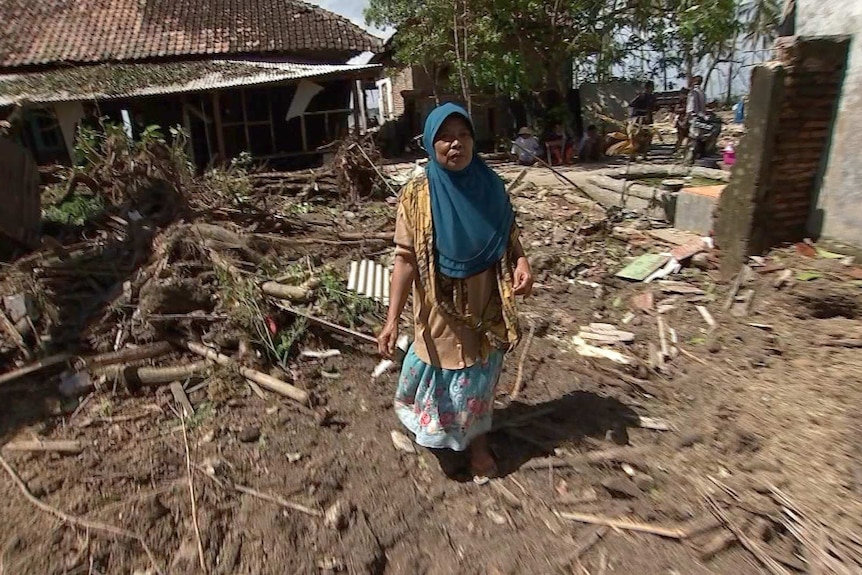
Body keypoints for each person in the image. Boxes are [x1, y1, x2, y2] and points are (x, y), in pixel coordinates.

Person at [379, 103, 533, 481]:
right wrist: (391, 319)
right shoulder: (416, 196)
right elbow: (405, 260)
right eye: (445, 136)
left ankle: (478, 447)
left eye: (463, 135)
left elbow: (507, 232)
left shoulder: (491, 185)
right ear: (431, 144)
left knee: (480, 374)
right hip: (438, 305)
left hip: (487, 299)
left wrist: (522, 261)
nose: (456, 144)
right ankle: (440, 435)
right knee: (441, 370)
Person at [673, 87, 690, 153]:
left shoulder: (689, 101)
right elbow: (676, 110)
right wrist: (684, 109)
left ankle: (686, 151)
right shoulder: (680, 102)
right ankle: (676, 150)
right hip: (680, 121)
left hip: (688, 121)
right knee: (680, 138)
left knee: (689, 137)